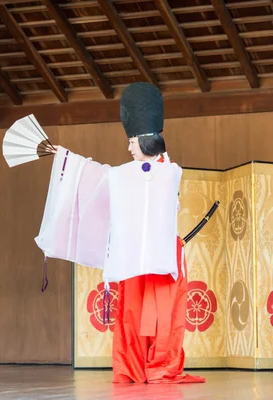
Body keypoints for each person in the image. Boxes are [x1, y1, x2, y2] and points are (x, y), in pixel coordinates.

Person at [35, 82, 205, 384]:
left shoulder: (169, 171)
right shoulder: (129, 174)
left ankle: (161, 366)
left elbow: (121, 179)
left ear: (145, 140)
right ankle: (133, 366)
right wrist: (66, 158)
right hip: (134, 255)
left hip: (163, 254)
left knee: (165, 316)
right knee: (133, 314)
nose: (128, 148)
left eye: (131, 142)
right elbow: (103, 176)